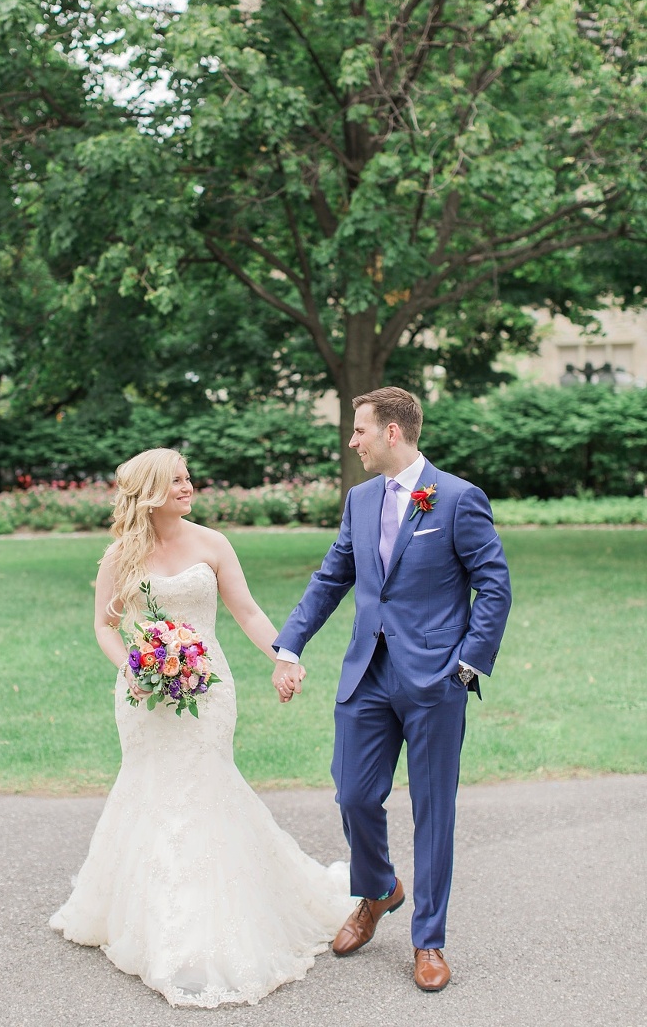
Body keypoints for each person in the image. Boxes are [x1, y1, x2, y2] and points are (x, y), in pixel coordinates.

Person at [49, 447, 354, 1008]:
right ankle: (149, 918)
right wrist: (132, 669)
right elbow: (104, 626)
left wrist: (284, 657)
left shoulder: (213, 544)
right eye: (176, 481)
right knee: (150, 791)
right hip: (143, 697)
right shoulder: (120, 556)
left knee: (204, 789)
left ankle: (206, 925)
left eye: (189, 478)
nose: (189, 487)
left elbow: (249, 613)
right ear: (149, 492)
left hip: (208, 692)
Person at [272, 387, 511, 992]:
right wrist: (290, 643)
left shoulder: (457, 499)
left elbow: (494, 586)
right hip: (366, 674)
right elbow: (334, 575)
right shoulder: (360, 500)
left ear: (392, 433)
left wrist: (467, 665)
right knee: (353, 793)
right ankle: (379, 891)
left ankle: (428, 941)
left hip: (436, 680)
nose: (352, 442)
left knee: (433, 812)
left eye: (359, 431)